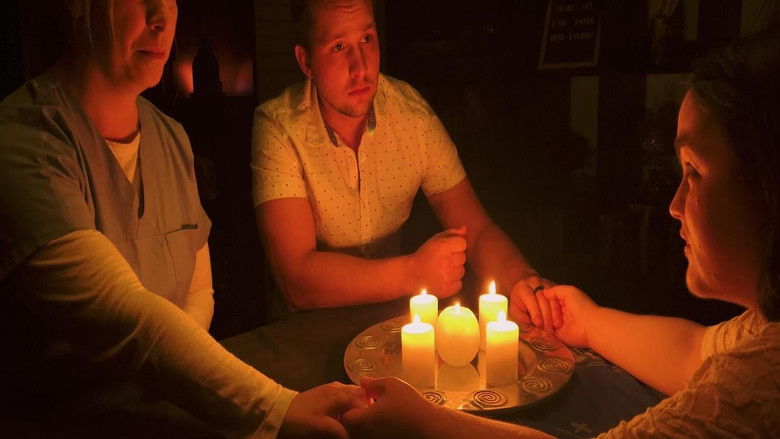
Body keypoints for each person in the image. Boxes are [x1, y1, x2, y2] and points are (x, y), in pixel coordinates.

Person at [340, 29, 780, 438]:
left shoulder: (764, 376)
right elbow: (695, 353)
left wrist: (427, 423)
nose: (674, 205)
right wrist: (587, 322)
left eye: (695, 172)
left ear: (767, 186)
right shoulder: (761, 336)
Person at [0, 1, 364, 437]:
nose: (161, 18)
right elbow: (122, 317)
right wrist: (276, 410)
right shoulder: (26, 139)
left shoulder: (169, 138)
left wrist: (176, 379)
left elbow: (197, 290)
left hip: (162, 406)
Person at [252, 0, 552, 328]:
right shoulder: (279, 126)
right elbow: (296, 280)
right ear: (306, 61)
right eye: (339, 47)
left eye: (367, 39)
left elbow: (476, 229)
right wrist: (412, 273)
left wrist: (521, 279)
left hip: (389, 325)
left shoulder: (410, 115)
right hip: (303, 331)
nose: (360, 67)